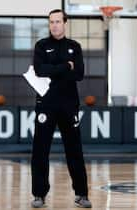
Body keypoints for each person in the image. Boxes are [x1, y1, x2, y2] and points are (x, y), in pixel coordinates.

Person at [30, 9, 92, 208]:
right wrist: (66, 66)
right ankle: (39, 194)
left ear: (65, 23)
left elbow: (80, 74)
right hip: (46, 105)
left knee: (74, 150)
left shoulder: (75, 46)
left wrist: (56, 70)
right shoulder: (41, 46)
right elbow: (40, 70)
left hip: (68, 105)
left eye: (58, 21)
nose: (54, 25)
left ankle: (81, 194)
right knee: (40, 150)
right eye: (51, 22)